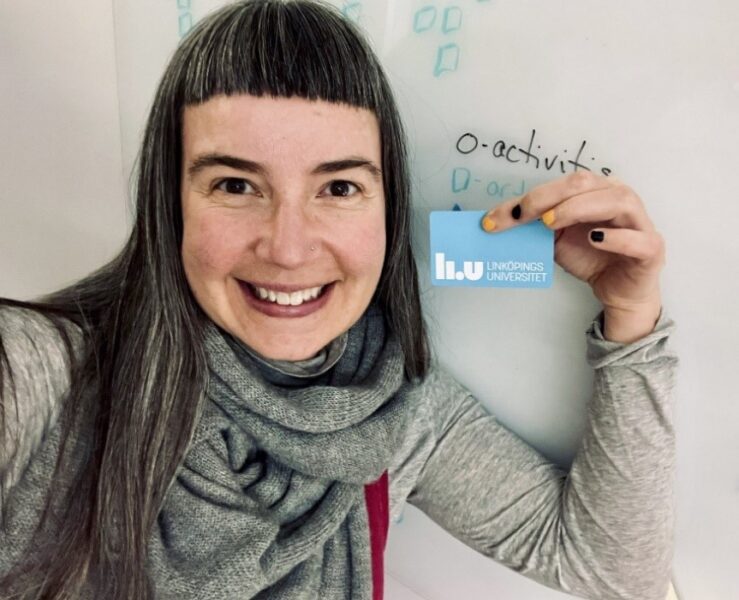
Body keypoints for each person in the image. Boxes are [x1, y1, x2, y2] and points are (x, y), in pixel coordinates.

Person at [0, 1, 676, 599]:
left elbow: (610, 570)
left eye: (339, 188)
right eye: (236, 185)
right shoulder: (44, 375)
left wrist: (630, 318)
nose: (289, 250)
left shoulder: (396, 408)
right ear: (170, 204)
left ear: (386, 207)